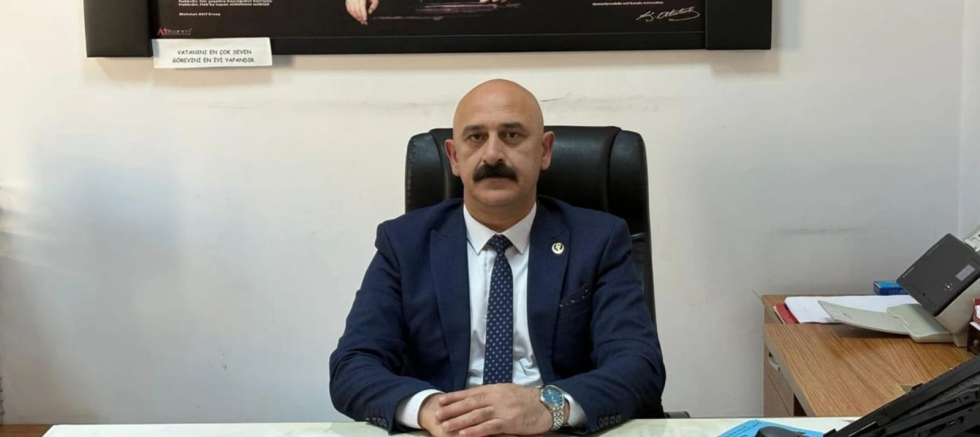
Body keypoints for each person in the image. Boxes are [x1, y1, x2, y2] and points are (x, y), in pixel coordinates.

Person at [329, 79, 666, 436]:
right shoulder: (403, 243)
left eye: (512, 135)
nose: (492, 155)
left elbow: (638, 364)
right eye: (476, 137)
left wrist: (549, 407)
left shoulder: (597, 240)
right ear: (454, 157)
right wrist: (429, 409)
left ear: (544, 151)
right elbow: (353, 364)